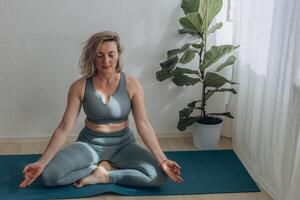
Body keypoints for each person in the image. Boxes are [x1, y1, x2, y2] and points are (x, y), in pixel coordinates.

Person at [19, 31, 183, 189]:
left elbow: (144, 125)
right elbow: (64, 127)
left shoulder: (132, 84)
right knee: (49, 176)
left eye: (111, 54)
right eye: (99, 55)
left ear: (118, 55)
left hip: (124, 145)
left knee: (159, 176)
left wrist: (163, 160)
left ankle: (105, 175)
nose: (106, 60)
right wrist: (42, 162)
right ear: (92, 57)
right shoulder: (79, 86)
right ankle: (95, 166)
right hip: (89, 145)